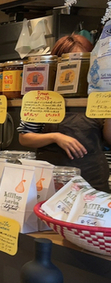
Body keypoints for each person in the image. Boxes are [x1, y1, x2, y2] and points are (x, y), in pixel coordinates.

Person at [18, 34, 111, 192]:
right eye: (69, 62)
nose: (76, 68)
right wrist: (55, 137)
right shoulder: (43, 96)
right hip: (50, 183)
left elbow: (109, 140)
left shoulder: (97, 95)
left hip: (91, 183)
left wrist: (108, 112)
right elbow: (24, 137)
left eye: (83, 61)